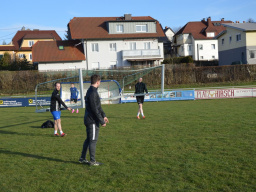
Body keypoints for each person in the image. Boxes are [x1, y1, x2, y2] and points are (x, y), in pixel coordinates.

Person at [79, 74, 109, 166]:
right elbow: (94, 109)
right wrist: (101, 121)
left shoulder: (93, 91)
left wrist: (103, 116)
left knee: (89, 140)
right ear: (97, 82)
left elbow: (98, 106)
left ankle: (82, 158)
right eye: (99, 81)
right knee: (92, 140)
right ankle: (92, 161)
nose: (100, 83)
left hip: (91, 119)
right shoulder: (92, 92)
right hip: (91, 120)